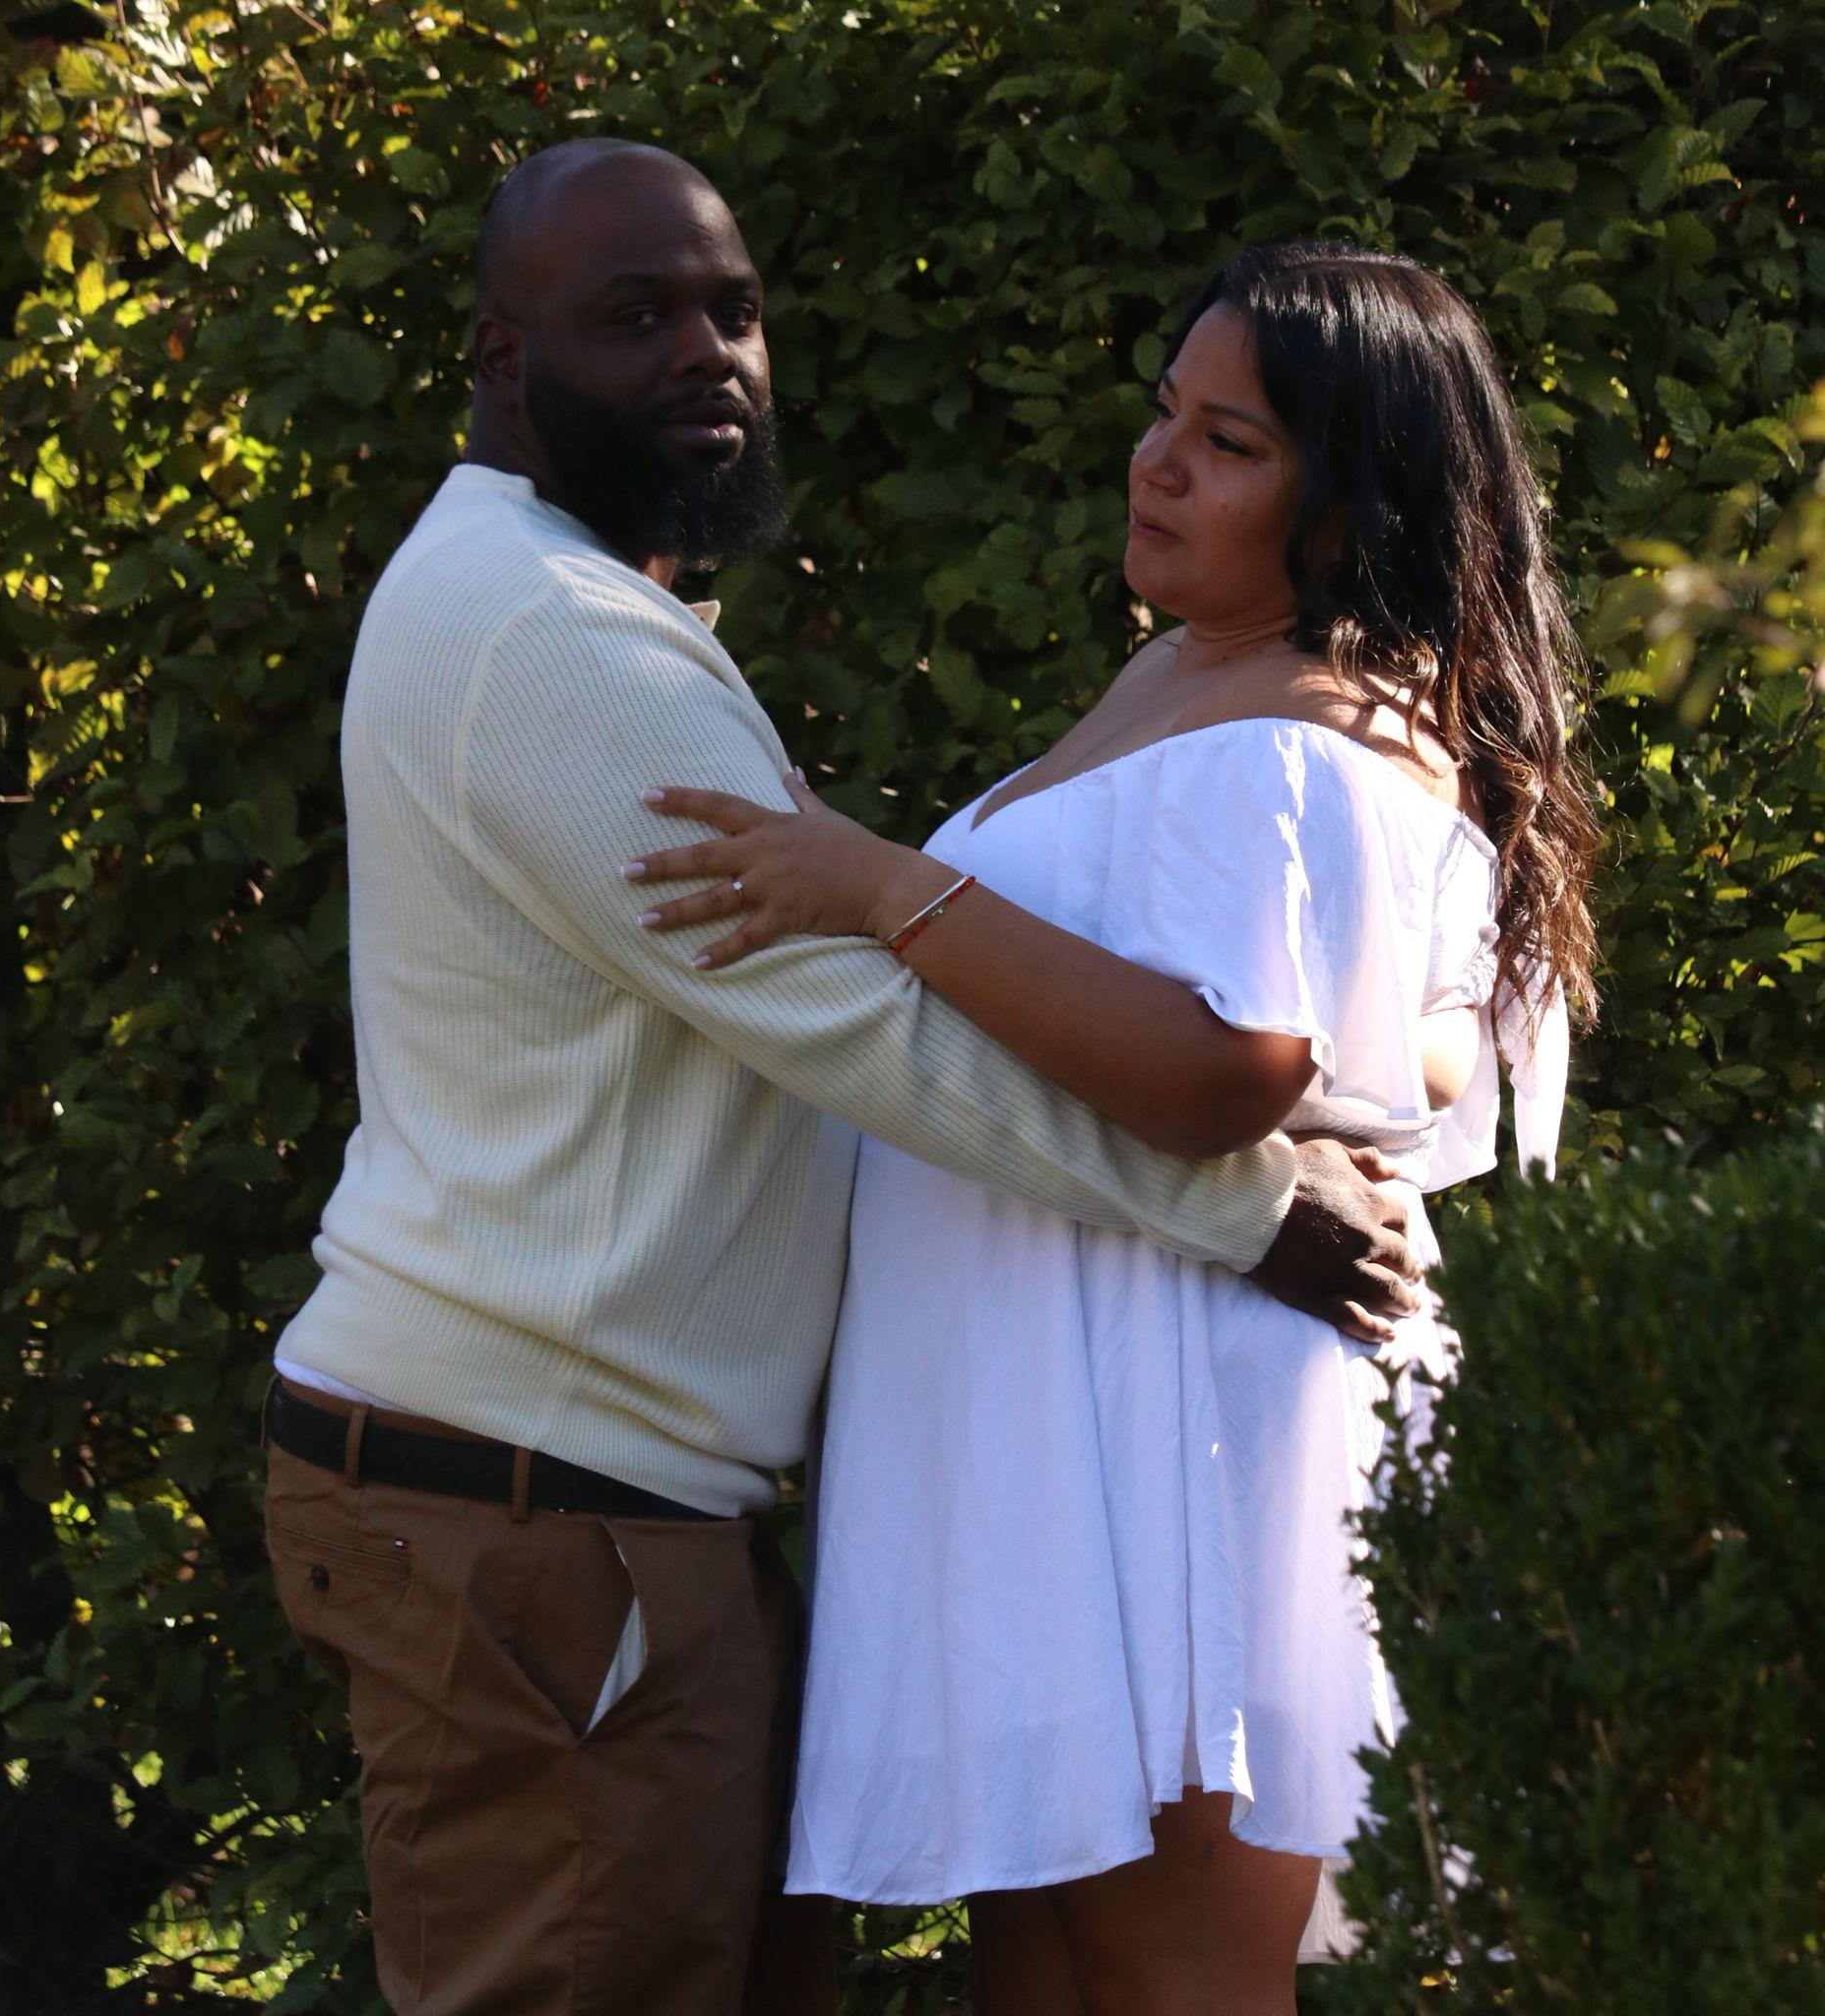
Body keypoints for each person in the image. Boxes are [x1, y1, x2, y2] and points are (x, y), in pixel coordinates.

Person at [259, 149, 1421, 2016]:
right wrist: (1254, 1209)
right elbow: (864, 1028)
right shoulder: (553, 640)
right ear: (502, 358)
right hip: (539, 1507)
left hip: (580, 1497)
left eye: (732, 310)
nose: (706, 355)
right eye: (634, 317)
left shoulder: (567, 604)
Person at [627, 239, 1599, 2014]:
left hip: (1173, 1423)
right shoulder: (1188, 682)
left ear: (1350, 504)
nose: (1159, 463)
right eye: (1166, 414)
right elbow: (1413, 1044)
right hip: (1054, 1408)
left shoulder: (1311, 728)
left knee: (1168, 1977)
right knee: (1053, 1977)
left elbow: (1236, 1064)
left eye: (1230, 445)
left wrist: (881, 887)